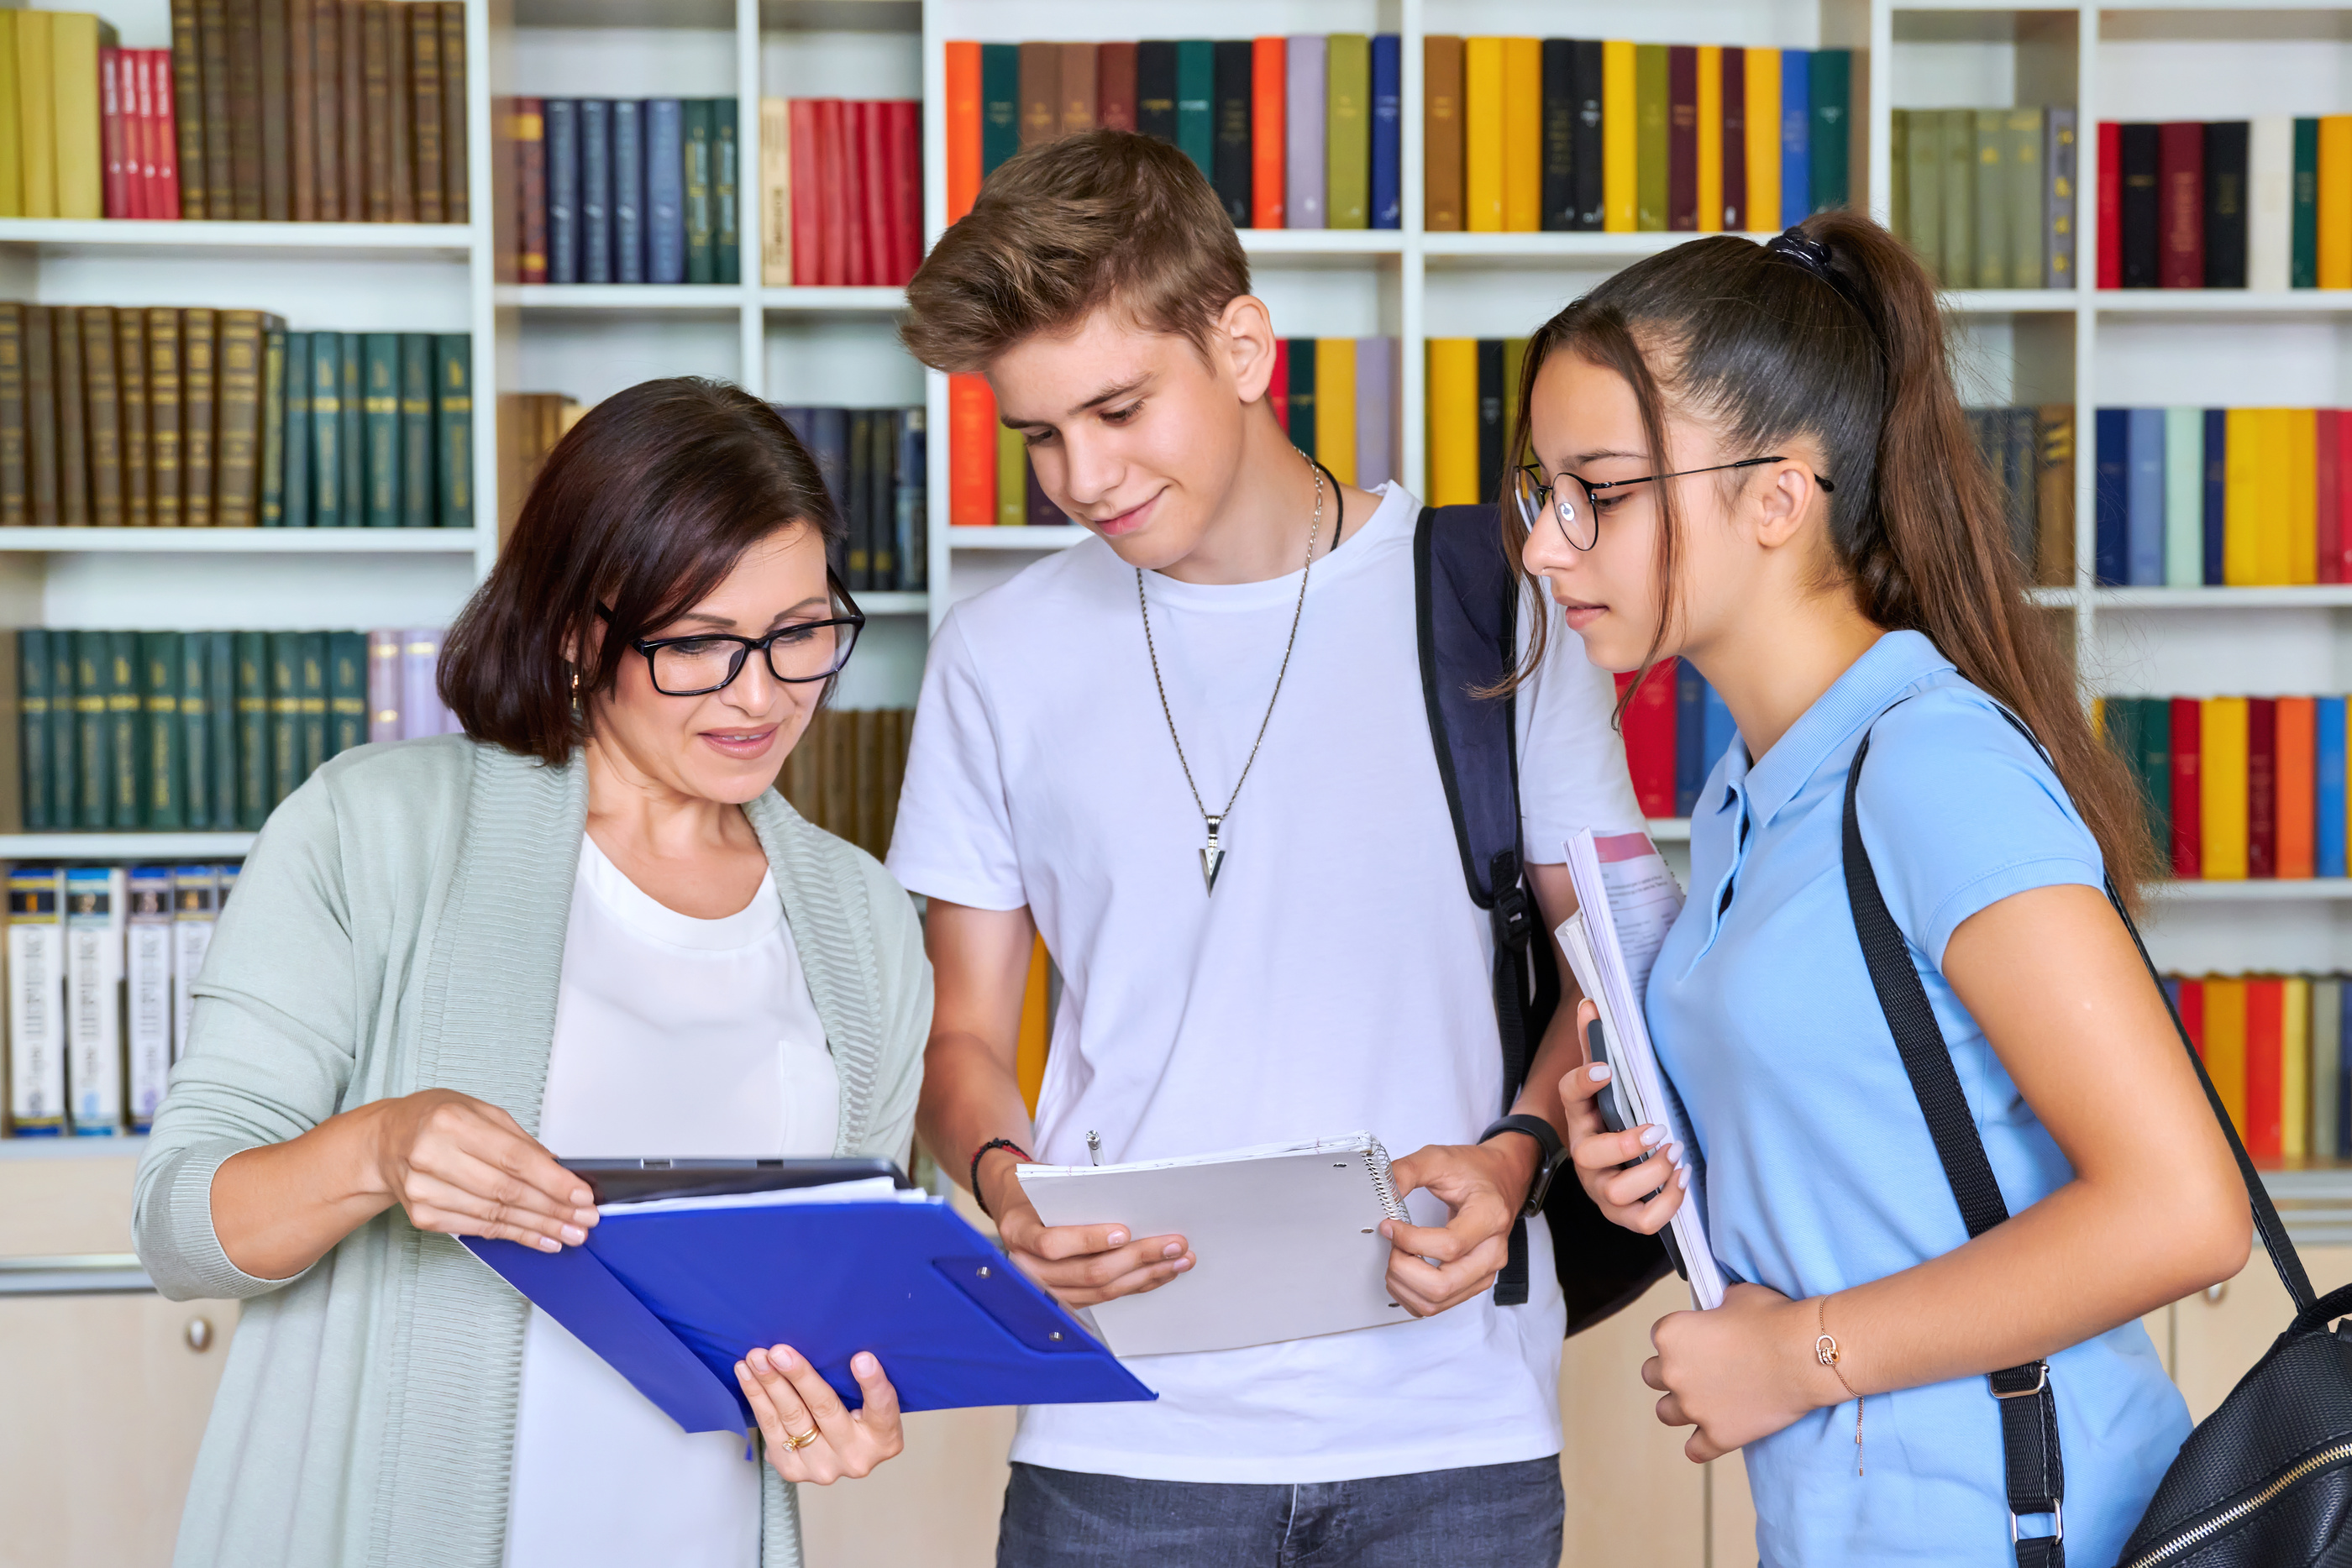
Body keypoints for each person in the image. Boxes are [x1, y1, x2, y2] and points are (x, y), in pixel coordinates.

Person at [888, 128, 1645, 1566]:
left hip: (1454, 1426)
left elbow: (1610, 971)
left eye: (1118, 409)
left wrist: (1512, 1159)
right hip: (1117, 1430)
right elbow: (961, 1035)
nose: (1082, 475)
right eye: (1040, 434)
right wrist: (1007, 1192)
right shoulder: (999, 660)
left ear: (1244, 347)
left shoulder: (1501, 607)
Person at [1521, 212, 2252, 1565]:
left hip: (2025, 1525)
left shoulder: (1928, 768)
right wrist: (1653, 1147)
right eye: (1541, 494)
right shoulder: (1749, 789)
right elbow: (1868, 1134)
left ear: (1778, 497)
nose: (1545, 549)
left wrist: (1794, 1360)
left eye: (1599, 493)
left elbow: (2184, 1209)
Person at [131, 378, 929, 1568]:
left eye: (802, 633)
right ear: (575, 628)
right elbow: (178, 1227)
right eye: (699, 645)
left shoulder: (862, 918)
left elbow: (845, 1297)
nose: (763, 695)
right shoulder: (376, 829)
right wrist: (377, 1149)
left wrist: (850, 1406)